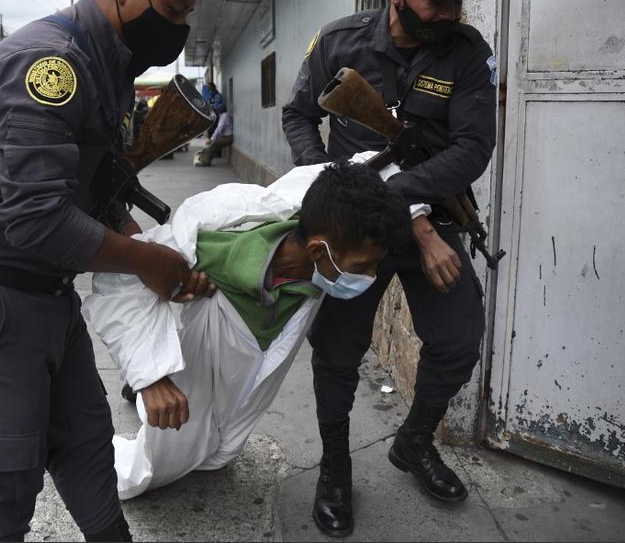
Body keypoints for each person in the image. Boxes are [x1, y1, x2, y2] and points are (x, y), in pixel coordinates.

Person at [0, 0, 213, 541]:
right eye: (173, 11)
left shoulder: (109, 67)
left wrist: (153, 249)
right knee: (5, 488)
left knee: (86, 443)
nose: (179, 30)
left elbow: (92, 190)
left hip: (47, 294)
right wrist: (146, 262)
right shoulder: (50, 66)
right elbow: (36, 220)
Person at [281, 0, 496, 537]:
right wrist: (324, 182)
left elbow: (472, 150)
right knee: (337, 355)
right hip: (353, 235)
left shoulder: (468, 54)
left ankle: (415, 440)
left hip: (430, 216)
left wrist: (408, 210)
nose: (452, 13)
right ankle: (334, 466)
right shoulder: (339, 41)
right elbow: (298, 114)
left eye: (461, 0)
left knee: (458, 338)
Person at [85, 160, 414, 499]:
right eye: (363, 266)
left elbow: (376, 163)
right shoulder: (210, 235)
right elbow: (120, 281)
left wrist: (426, 230)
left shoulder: (325, 221)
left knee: (219, 452)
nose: (371, 276)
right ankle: (80, 436)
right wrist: (151, 376)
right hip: (200, 344)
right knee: (148, 473)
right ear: (317, 249)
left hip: (239, 368)